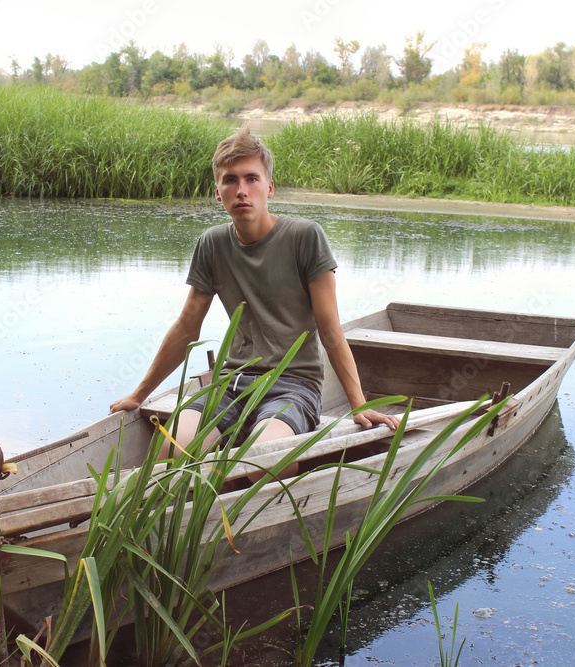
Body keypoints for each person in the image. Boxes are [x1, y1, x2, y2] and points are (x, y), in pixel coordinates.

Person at [109, 125, 398, 456]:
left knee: (262, 460)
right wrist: (139, 393)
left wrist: (357, 405)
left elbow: (330, 330)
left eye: (251, 178)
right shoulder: (212, 243)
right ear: (218, 192)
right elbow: (187, 326)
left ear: (269, 187)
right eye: (230, 180)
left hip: (294, 386)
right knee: (168, 450)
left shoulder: (305, 237)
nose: (241, 190)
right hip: (232, 383)